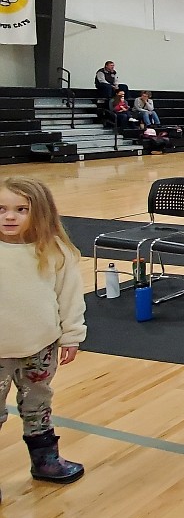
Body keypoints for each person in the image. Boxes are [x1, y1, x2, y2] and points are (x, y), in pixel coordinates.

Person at [0, 176, 87, 496]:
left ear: (41, 212)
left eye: (20, 209)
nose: (9, 216)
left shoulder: (55, 251)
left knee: (38, 403)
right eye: (2, 209)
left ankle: (45, 460)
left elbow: (69, 297)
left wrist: (72, 335)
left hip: (40, 347)